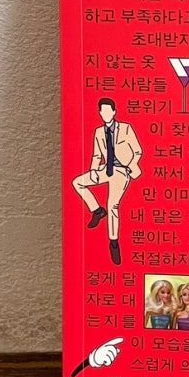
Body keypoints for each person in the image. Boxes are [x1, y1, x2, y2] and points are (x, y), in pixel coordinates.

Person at [72, 98, 142, 265]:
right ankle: (97, 210)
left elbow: (138, 151)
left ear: (114, 112)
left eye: (108, 111)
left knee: (113, 205)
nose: (105, 114)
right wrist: (93, 170)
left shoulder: (125, 128)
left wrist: (130, 166)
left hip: (121, 171)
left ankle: (113, 242)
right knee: (77, 182)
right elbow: (97, 155)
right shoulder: (98, 132)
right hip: (105, 169)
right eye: (102, 111)